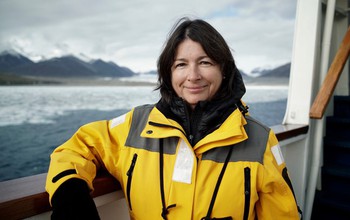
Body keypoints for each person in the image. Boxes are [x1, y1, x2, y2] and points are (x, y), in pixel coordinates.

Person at [46, 17, 301, 220]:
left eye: (205, 62)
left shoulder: (259, 140)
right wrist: (71, 196)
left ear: (224, 70)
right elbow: (79, 146)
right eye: (181, 64)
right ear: (168, 73)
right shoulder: (135, 126)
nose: (193, 75)